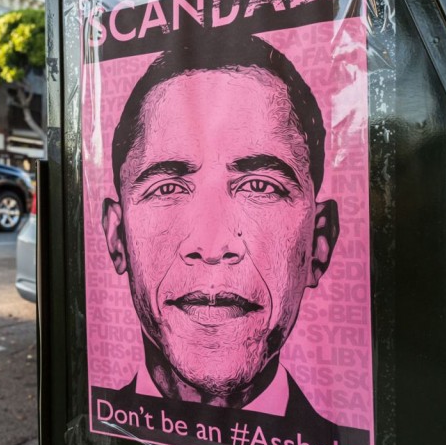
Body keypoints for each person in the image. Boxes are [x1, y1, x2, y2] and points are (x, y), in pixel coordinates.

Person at [101, 31, 342, 420]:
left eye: (260, 186)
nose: (212, 245)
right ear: (117, 237)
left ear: (318, 242)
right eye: (167, 188)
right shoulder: (99, 432)